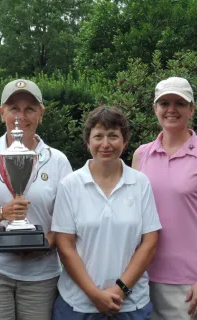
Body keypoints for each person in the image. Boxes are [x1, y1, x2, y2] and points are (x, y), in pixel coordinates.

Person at [0, 79, 73, 320]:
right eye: (14, 109)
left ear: (41, 113)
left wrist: (40, 245)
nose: (21, 116)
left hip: (40, 274)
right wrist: (1, 213)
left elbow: (66, 225)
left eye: (30, 108)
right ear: (2, 114)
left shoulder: (59, 161)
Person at [132, 77, 197, 319]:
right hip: (146, 279)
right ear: (155, 109)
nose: (171, 109)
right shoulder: (141, 155)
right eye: (164, 103)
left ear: (191, 108)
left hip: (193, 284)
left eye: (180, 103)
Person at [51, 106, 161, 320]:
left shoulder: (140, 183)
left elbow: (149, 242)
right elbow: (65, 246)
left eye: (113, 136)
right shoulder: (70, 185)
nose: (105, 144)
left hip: (131, 305)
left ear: (125, 141)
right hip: (78, 305)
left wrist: (121, 290)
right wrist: (94, 295)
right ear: (87, 141)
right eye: (98, 136)